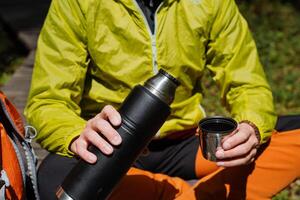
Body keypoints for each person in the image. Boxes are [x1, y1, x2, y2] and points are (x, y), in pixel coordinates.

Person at [25, 0, 300, 199]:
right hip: (112, 149)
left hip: (187, 145)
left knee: (293, 132)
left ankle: (169, 193)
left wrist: (250, 128)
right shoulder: (76, 4)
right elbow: (47, 101)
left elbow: (247, 84)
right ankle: (192, 193)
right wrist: (77, 135)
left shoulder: (212, 3)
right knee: (55, 180)